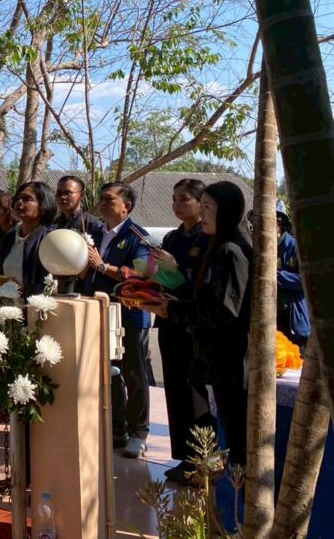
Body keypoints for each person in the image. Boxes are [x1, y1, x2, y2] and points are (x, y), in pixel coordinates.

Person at [141, 181, 252, 468]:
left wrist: (173, 309)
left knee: (236, 437)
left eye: (207, 207)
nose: (201, 214)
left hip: (231, 357)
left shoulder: (231, 250)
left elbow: (223, 312)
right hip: (213, 353)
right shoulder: (210, 242)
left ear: (226, 210)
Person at [149, 179, 214, 482]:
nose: (177, 205)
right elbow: (165, 278)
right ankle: (185, 458)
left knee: (194, 394)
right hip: (168, 319)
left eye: (184, 199)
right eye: (175, 199)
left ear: (202, 203)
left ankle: (204, 461)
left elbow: (200, 285)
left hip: (192, 323)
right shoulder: (172, 237)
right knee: (175, 391)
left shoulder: (208, 238)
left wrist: (175, 269)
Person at [85, 181, 151, 458]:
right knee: (107, 372)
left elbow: (141, 274)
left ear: (126, 206)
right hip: (98, 312)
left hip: (130, 314)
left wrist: (103, 266)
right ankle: (117, 427)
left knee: (134, 374)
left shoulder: (138, 236)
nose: (103, 203)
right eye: (101, 198)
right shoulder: (94, 233)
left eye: (109, 199)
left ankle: (139, 432)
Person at [0, 182, 55, 297]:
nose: (19, 202)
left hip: (38, 306)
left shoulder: (51, 240)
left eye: (27, 199)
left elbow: (55, 283)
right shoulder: (7, 240)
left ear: (43, 206)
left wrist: (24, 290)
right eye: (18, 198)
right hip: (9, 306)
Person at [275, 201, 309, 347]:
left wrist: (275, 276)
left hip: (294, 323)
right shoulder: (261, 250)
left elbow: (305, 281)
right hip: (273, 321)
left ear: (280, 224)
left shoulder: (295, 247)